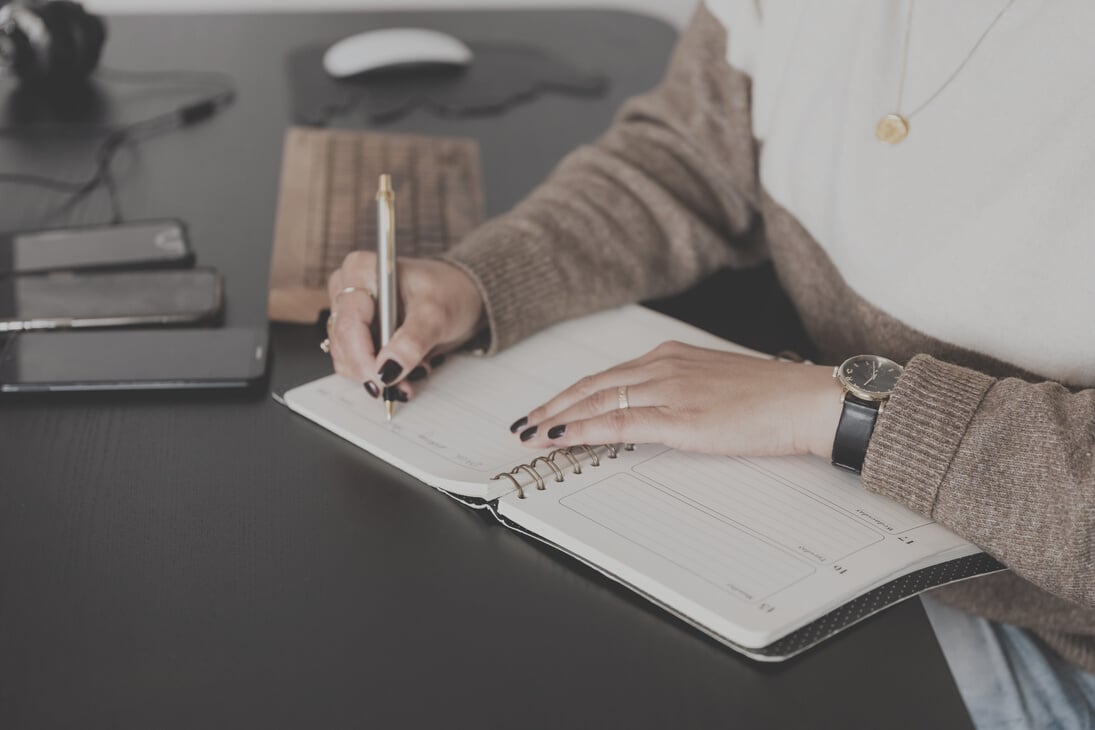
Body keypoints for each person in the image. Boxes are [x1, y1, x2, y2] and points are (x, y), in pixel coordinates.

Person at [324, 2, 1095, 726]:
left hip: (1052, 639)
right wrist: (478, 280)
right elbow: (691, 158)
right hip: (852, 523)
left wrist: (847, 410)